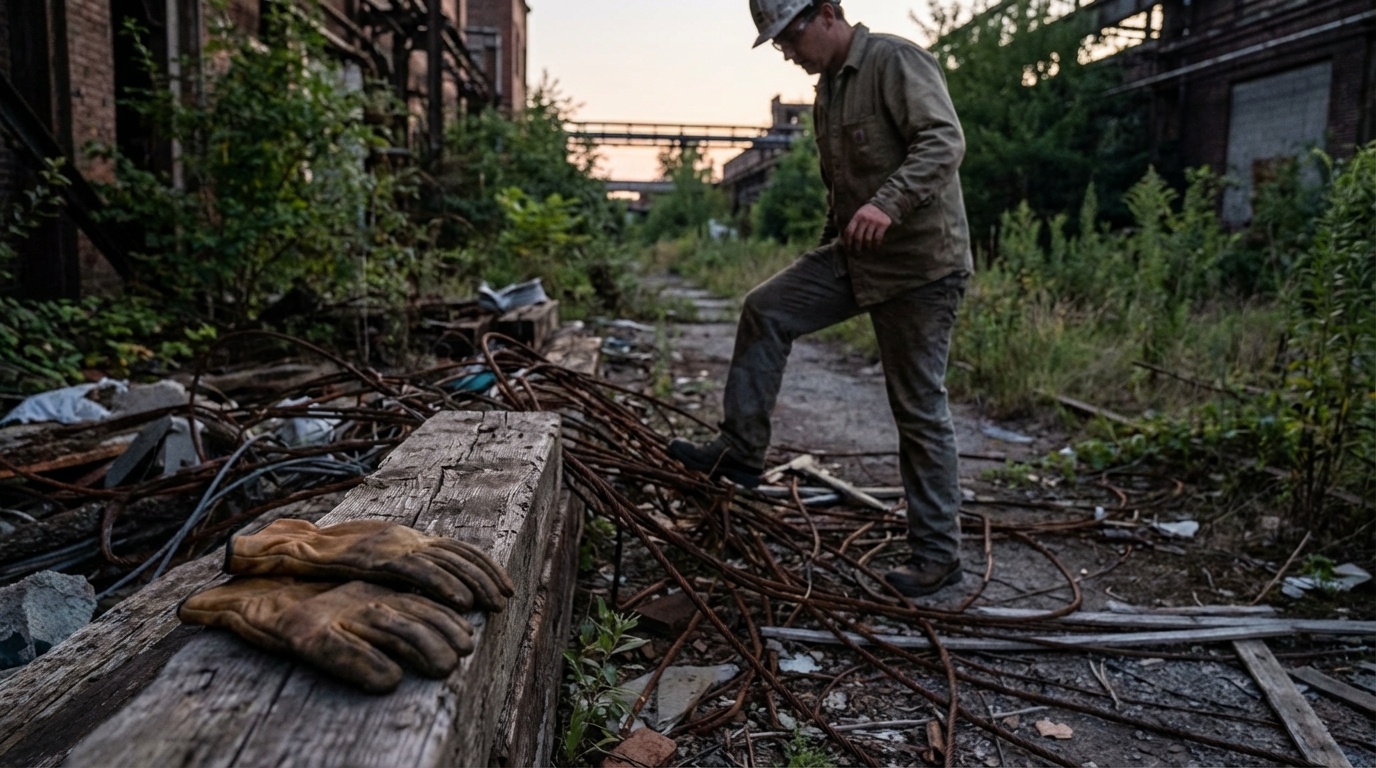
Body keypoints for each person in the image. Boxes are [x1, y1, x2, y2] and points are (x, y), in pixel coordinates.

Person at [666, 0, 973, 598]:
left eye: (789, 35)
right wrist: (825, 253)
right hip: (854, 256)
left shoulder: (894, 61)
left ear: (828, 12)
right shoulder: (829, 91)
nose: (785, 51)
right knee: (767, 307)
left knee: (917, 408)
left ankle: (938, 556)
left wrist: (888, 203)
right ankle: (740, 451)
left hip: (919, 267)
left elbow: (943, 141)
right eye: (776, 42)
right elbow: (844, 190)